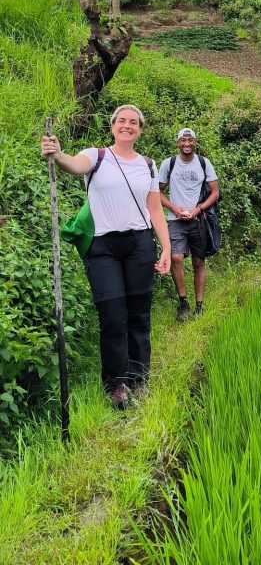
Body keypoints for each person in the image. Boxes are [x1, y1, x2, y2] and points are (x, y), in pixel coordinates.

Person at [41, 104, 171, 410]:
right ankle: (116, 383)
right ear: (113, 126)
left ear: (140, 129)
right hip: (103, 248)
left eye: (133, 122)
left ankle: (138, 379)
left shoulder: (148, 165)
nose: (127, 125)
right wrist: (57, 154)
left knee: (139, 315)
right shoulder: (96, 156)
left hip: (140, 244)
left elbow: (155, 211)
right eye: (122, 121)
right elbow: (73, 165)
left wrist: (166, 248)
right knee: (113, 316)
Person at [158, 128, 219, 321]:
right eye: (183, 140)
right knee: (176, 257)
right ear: (177, 143)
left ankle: (199, 304)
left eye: (190, 140)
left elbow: (215, 192)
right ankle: (183, 303)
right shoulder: (169, 163)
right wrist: (174, 207)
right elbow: (157, 192)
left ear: (195, 142)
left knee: (198, 261)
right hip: (176, 220)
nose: (186, 144)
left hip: (198, 219)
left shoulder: (203, 163)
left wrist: (198, 209)